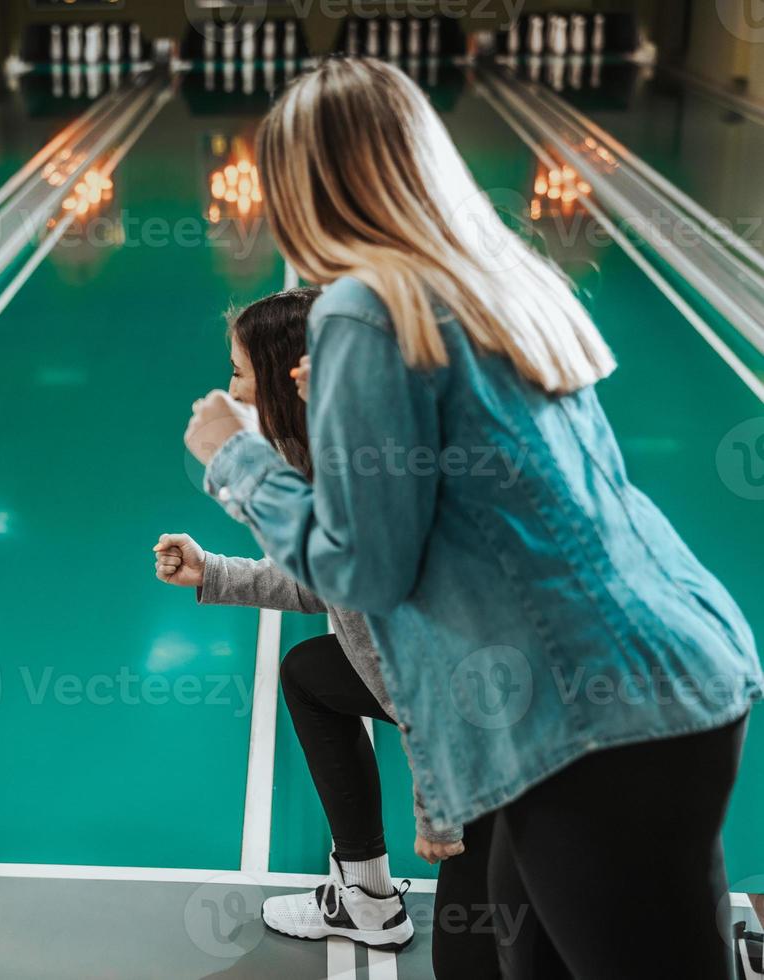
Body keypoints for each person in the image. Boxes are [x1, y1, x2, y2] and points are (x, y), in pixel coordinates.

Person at [182, 58, 761, 978]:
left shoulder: (365, 311)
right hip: (669, 682)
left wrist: (237, 459)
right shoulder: (496, 278)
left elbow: (364, 570)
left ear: (307, 186)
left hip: (589, 724)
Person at [155, 288, 496, 976]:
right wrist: (212, 574)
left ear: (292, 381)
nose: (226, 390)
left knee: (472, 959)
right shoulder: (341, 452)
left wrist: (439, 812)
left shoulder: (374, 472)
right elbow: (335, 583)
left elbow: (425, 665)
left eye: (238, 374)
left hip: (508, 734)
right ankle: (365, 896)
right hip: (470, 702)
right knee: (314, 673)